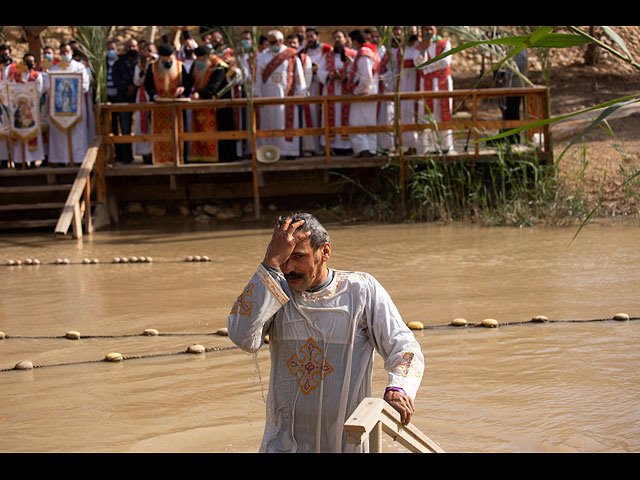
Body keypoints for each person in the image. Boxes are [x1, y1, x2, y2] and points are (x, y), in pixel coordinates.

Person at [227, 213, 424, 453]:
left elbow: (404, 349)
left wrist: (398, 388)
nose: (289, 268)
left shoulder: (360, 291)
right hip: (283, 444)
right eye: (284, 258)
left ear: (325, 252)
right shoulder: (274, 292)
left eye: (299, 257)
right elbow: (241, 335)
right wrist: (269, 264)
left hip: (346, 441)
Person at [253, 29, 306, 160]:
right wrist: (257, 93)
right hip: (267, 95)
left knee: (285, 122)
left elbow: (299, 75)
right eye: (269, 42)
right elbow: (257, 76)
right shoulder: (263, 56)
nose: (271, 45)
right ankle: (269, 152)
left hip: (286, 95)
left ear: (281, 41)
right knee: (269, 123)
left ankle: (288, 151)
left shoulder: (291, 55)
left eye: (274, 42)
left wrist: (300, 92)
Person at [144, 43, 192, 164]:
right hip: (158, 106)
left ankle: (180, 158)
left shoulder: (180, 66)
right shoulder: (152, 67)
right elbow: (148, 84)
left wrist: (183, 88)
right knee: (159, 134)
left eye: (169, 57)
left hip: (176, 106)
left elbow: (188, 82)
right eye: (164, 58)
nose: (167, 60)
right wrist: (154, 95)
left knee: (179, 132)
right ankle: (160, 159)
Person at [188, 45, 235, 162]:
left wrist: (200, 94)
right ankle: (204, 157)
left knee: (222, 132)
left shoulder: (219, 66)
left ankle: (223, 159)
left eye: (202, 60)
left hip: (219, 105)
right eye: (197, 60)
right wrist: (184, 89)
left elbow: (214, 85)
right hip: (202, 105)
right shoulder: (196, 65)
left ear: (208, 57)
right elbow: (189, 79)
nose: (199, 63)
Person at [48, 42, 91, 165]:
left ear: (71, 52)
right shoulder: (54, 69)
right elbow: (49, 87)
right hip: (59, 108)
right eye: (62, 52)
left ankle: (78, 159)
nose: (65, 54)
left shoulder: (79, 67)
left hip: (75, 107)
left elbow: (85, 86)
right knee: (59, 134)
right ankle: (60, 159)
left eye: (67, 52)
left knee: (77, 134)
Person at [317, 29, 356, 154]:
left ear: (346, 39)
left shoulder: (353, 54)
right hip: (332, 91)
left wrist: (347, 76)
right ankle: (332, 147)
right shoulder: (327, 56)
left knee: (349, 117)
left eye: (339, 37)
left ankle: (349, 146)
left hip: (347, 91)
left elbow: (358, 71)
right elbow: (320, 72)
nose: (337, 40)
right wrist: (331, 75)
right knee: (331, 117)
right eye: (335, 38)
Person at [419, 26, 454, 154]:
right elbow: (418, 63)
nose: (428, 31)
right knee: (429, 115)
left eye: (430, 28)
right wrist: (424, 49)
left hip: (442, 82)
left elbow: (445, 61)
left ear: (435, 30)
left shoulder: (444, 43)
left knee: (443, 113)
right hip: (427, 84)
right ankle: (432, 147)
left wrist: (427, 67)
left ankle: (446, 146)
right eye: (425, 29)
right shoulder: (421, 46)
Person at [7, 53, 45, 168]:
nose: (29, 63)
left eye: (31, 61)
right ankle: (20, 161)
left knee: (32, 134)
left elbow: (39, 91)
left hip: (31, 110)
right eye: (26, 61)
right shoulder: (16, 76)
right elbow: (11, 90)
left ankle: (33, 160)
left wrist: (27, 85)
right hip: (18, 109)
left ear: (35, 64)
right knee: (19, 134)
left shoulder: (37, 76)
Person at [346, 29, 380, 158]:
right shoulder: (371, 50)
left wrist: (357, 91)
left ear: (354, 41)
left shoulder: (364, 53)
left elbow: (366, 76)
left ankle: (364, 149)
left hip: (363, 92)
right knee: (368, 121)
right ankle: (370, 148)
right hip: (370, 90)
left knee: (356, 122)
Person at [300, 28, 331, 155]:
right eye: (308, 37)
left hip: (321, 86)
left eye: (312, 36)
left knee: (323, 116)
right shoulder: (303, 51)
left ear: (318, 36)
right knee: (311, 115)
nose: (310, 39)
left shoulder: (327, 49)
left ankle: (324, 146)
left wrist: (318, 69)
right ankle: (313, 146)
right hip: (308, 87)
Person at [112, 38, 140, 163]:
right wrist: (127, 87)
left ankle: (145, 154)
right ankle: (126, 157)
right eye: (129, 47)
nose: (132, 49)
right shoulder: (119, 63)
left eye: (134, 46)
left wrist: (135, 87)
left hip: (138, 97)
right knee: (125, 128)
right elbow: (116, 79)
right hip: (123, 97)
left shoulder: (140, 61)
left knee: (141, 126)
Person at [287, 33, 315, 157]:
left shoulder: (305, 58)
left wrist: (300, 93)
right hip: (287, 97)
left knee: (302, 121)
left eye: (294, 43)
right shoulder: (284, 58)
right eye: (289, 43)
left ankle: (305, 148)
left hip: (300, 95)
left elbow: (307, 79)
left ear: (299, 44)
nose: (292, 45)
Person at [132, 41, 156, 164]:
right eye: (145, 51)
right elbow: (137, 82)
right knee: (142, 125)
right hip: (142, 95)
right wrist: (142, 71)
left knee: (154, 124)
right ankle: (145, 153)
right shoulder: (139, 64)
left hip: (155, 96)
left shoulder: (158, 64)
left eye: (150, 51)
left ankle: (155, 152)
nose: (147, 53)